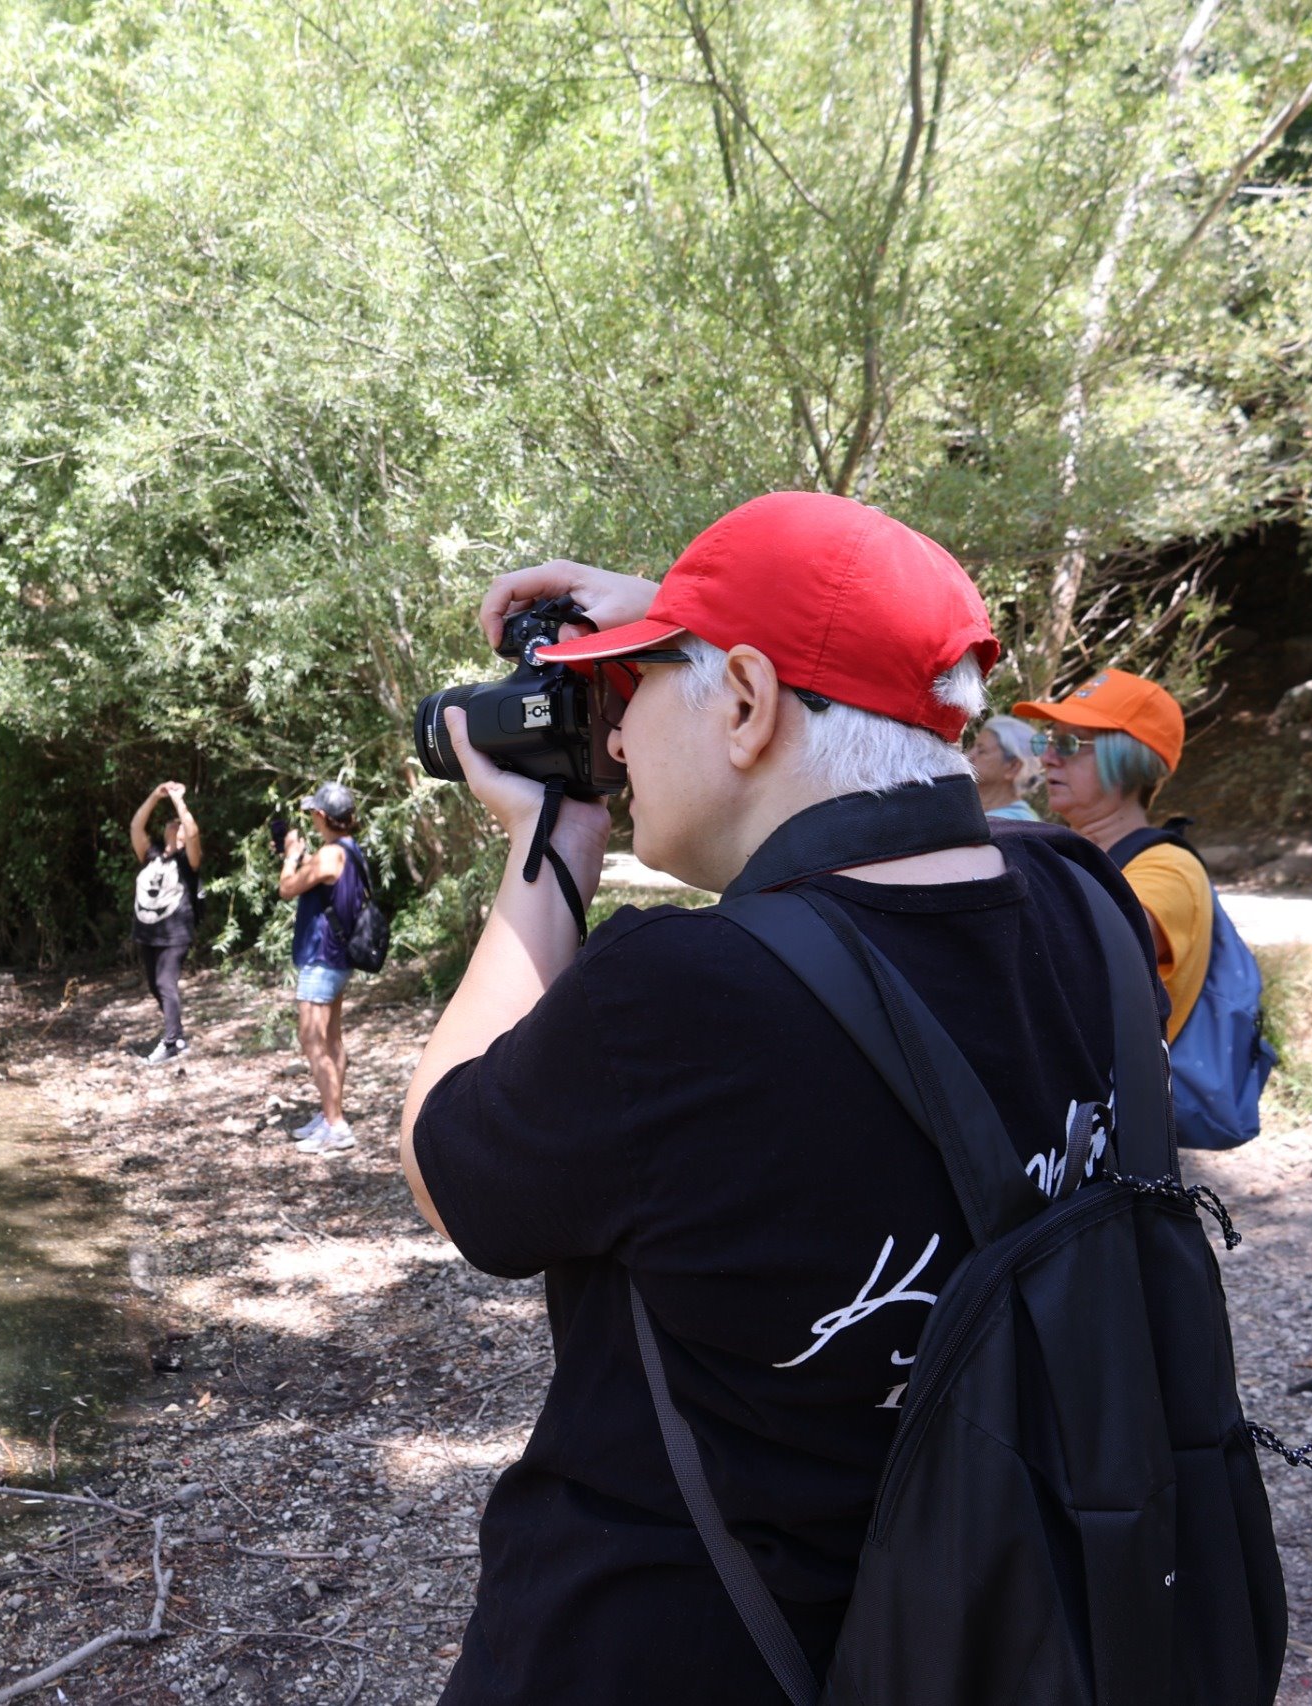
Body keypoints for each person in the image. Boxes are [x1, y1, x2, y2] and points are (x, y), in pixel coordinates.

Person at [397, 493, 1161, 1701]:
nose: (617, 741)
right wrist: (691, 623)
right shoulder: (1083, 906)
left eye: (639, 690)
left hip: (680, 1651)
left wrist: (549, 847)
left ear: (747, 703)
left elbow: (451, 1167)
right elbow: (856, 703)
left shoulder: (683, 995)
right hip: (1007, 1622)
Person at [1014, 669, 1209, 1041]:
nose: (1049, 758)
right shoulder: (1065, 850)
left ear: (1128, 762)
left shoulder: (1170, 869)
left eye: (1071, 744)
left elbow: (1076, 956)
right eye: (1050, 742)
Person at [278, 781, 364, 1156]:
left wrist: (290, 854)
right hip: (339, 957)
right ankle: (330, 1114)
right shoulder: (350, 849)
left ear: (321, 817)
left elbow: (287, 888)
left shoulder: (328, 854)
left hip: (321, 958)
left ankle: (336, 1125)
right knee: (331, 1040)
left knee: (313, 1041)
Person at [128, 779, 202, 1064]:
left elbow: (193, 833)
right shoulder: (152, 855)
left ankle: (171, 1042)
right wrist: (155, 795)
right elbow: (136, 827)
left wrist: (178, 801)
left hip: (176, 933)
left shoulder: (187, 860)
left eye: (178, 824)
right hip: (148, 932)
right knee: (155, 986)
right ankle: (178, 1035)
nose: (173, 824)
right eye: (170, 822)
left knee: (165, 982)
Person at [968, 713, 1042, 820]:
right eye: (973, 747)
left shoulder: (1014, 824)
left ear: (1013, 767)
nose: (970, 755)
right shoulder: (982, 814)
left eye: (982, 751)